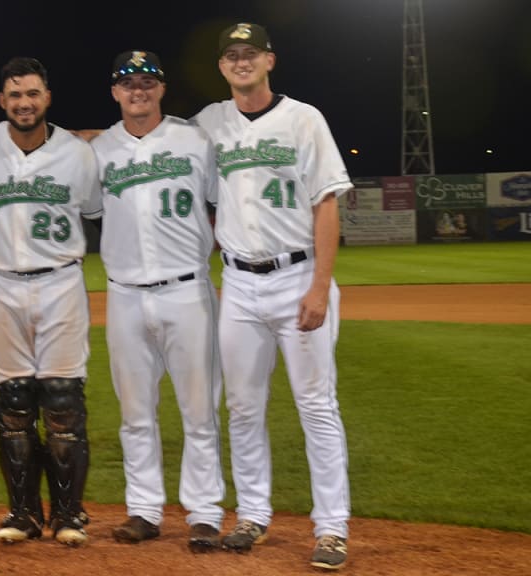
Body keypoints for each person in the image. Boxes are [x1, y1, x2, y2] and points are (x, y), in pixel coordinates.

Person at [192, 22, 352, 570]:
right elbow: (154, 141)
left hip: (296, 277)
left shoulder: (304, 119)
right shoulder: (209, 123)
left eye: (250, 53)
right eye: (232, 55)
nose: (241, 62)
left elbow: (326, 204)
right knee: (242, 407)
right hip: (238, 283)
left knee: (316, 406)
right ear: (221, 66)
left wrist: (320, 288)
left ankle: (331, 528)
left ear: (270, 60)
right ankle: (253, 514)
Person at [89, 50, 225, 552]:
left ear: (161, 89)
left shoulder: (194, 139)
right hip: (125, 294)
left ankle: (205, 513)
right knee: (135, 414)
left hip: (188, 290)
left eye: (147, 81)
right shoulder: (100, 150)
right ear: (115, 92)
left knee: (200, 410)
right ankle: (144, 509)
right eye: (128, 83)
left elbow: (220, 199)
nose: (138, 90)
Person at [0, 56, 102, 547]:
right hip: (1, 283)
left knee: (64, 402)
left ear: (47, 98)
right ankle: (23, 512)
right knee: (13, 403)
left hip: (60, 282)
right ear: (2, 101)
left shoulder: (77, 153)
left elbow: (92, 208)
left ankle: (70, 513)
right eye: (14, 94)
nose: (24, 102)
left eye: (32, 93)